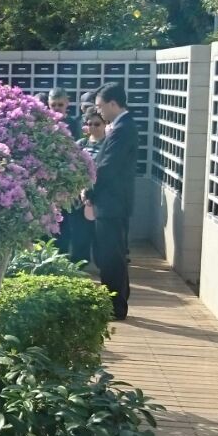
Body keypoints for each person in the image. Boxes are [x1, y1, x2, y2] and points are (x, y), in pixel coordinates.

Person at [86, 84, 137, 321]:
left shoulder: (123, 129)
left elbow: (107, 167)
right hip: (112, 202)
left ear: (113, 104)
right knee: (110, 254)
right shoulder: (117, 128)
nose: (99, 111)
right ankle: (115, 301)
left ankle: (115, 305)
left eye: (100, 106)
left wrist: (90, 191)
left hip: (112, 202)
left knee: (111, 256)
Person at [56, 110, 106, 264]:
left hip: (99, 196)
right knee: (79, 234)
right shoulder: (80, 144)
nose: (93, 127)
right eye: (89, 124)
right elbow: (72, 167)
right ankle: (80, 265)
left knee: (100, 235)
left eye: (97, 124)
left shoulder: (109, 145)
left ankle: (101, 264)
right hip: (79, 197)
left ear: (105, 125)